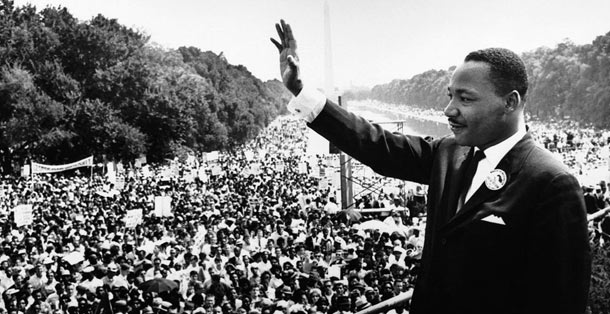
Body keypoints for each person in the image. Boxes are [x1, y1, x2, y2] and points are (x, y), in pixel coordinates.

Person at [270, 19, 591, 314]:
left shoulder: (551, 182)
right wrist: (302, 91)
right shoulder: (448, 152)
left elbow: (562, 300)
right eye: (450, 96)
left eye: (465, 99)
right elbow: (375, 144)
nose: (448, 110)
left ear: (510, 102)